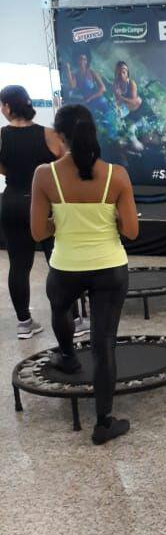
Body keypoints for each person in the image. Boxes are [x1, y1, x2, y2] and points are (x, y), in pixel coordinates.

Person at [30, 105, 139, 444]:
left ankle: (67, 357)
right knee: (103, 343)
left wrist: (60, 222)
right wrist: (110, 219)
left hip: (65, 268)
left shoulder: (44, 175)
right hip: (110, 269)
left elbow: (38, 232)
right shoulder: (116, 175)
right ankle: (103, 423)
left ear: (59, 136)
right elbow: (131, 231)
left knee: (60, 308)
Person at [0, 85, 79, 339]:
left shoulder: (2, 136)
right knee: (60, 261)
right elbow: (66, 164)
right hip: (45, 203)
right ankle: (75, 319)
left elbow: (3, 169)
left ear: (8, 107)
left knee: (18, 265)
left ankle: (24, 323)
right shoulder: (49, 134)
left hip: (12, 202)